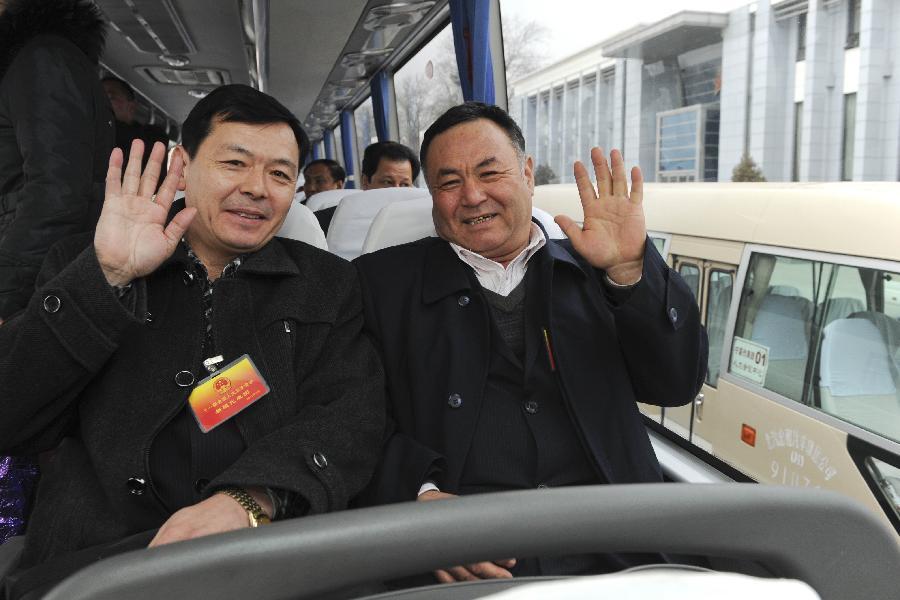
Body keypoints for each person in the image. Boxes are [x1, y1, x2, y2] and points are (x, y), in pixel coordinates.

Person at [0, 84, 385, 599]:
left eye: (279, 174)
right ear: (183, 164)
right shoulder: (88, 262)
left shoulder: (326, 285)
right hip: (97, 565)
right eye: (235, 163)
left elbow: (346, 417)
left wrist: (248, 501)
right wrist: (107, 276)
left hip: (268, 558)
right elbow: (13, 417)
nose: (257, 188)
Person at [353, 102, 708, 581]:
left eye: (489, 172)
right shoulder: (377, 286)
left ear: (526, 173)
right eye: (449, 182)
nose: (473, 196)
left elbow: (675, 385)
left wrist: (629, 272)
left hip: (617, 549)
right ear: (431, 195)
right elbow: (350, 417)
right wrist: (420, 497)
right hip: (465, 560)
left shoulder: (597, 268)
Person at [0, 0, 114, 547]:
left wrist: (7, 303)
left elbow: (54, 195)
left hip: (33, 281)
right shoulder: (40, 59)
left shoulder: (41, 59)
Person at [314, 141, 420, 234]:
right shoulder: (323, 224)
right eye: (387, 182)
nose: (397, 192)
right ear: (365, 182)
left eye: (404, 184)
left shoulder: (422, 222)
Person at [101, 75, 170, 176]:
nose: (102, 103)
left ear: (131, 107)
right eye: (98, 98)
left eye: (111, 97)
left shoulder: (150, 141)